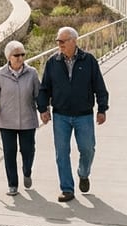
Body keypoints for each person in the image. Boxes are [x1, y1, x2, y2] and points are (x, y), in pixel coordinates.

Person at [37, 27, 109, 202]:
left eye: (62, 41)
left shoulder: (89, 60)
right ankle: (67, 189)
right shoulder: (52, 62)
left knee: (87, 149)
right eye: (58, 42)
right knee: (62, 152)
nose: (59, 45)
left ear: (73, 41)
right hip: (60, 115)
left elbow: (99, 85)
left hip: (83, 115)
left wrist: (102, 108)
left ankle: (83, 173)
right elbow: (45, 88)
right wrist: (43, 109)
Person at [0, 41, 40, 196]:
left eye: (22, 54)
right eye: (16, 55)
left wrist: (44, 110)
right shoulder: (0, 74)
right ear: (8, 57)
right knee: (9, 153)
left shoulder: (32, 73)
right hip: (7, 121)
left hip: (28, 121)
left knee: (28, 151)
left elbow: (39, 95)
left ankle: (27, 171)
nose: (20, 58)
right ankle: (12, 184)